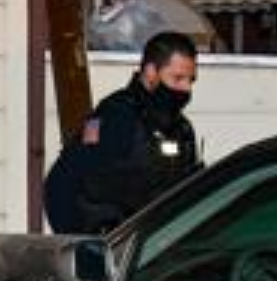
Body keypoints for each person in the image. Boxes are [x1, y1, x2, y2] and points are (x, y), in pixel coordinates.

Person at [45, 31, 201, 235]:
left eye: (191, 80)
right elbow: (64, 184)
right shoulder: (117, 116)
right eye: (178, 78)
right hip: (114, 247)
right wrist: (95, 241)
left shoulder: (181, 129)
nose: (186, 89)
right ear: (151, 72)